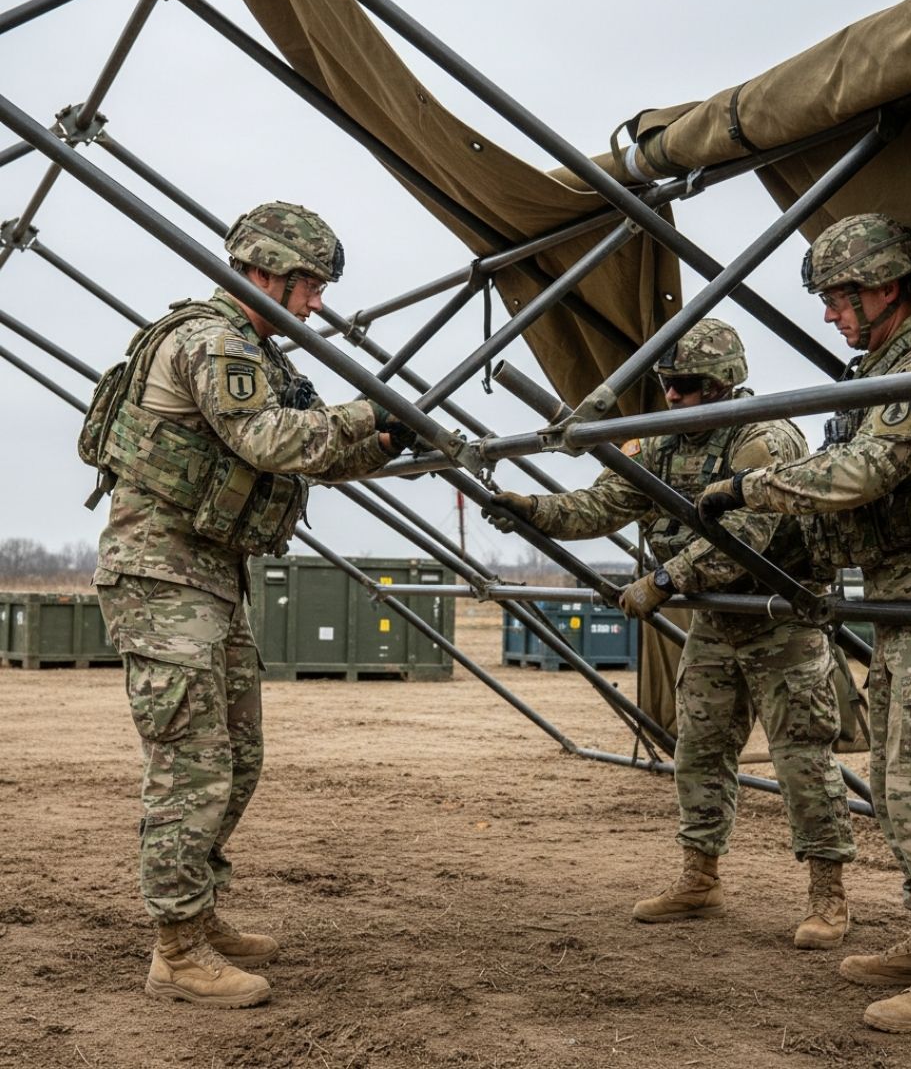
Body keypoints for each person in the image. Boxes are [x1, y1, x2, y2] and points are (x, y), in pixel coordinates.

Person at [698, 213, 911, 1032]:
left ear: (884, 287)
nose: (829, 314)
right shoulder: (889, 367)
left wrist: (751, 488)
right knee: (889, 779)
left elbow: (860, 471)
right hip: (906, 608)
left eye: (839, 297)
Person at [82, 201, 413, 1008]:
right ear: (265, 271)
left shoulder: (257, 351)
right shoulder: (212, 342)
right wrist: (370, 412)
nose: (316, 304)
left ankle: (198, 909)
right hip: (163, 580)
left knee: (238, 757)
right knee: (191, 767)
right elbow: (268, 440)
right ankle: (177, 950)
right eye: (308, 285)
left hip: (209, 579)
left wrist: (383, 444)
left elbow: (300, 453)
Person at [483, 319, 856, 948]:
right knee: (700, 750)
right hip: (716, 622)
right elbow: (602, 505)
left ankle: (829, 896)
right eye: (666, 385)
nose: (672, 397)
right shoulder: (663, 443)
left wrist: (663, 579)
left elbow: (745, 541)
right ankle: (700, 877)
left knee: (801, 761)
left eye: (685, 386)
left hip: (779, 621)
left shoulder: (764, 440)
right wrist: (534, 512)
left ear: (722, 384)